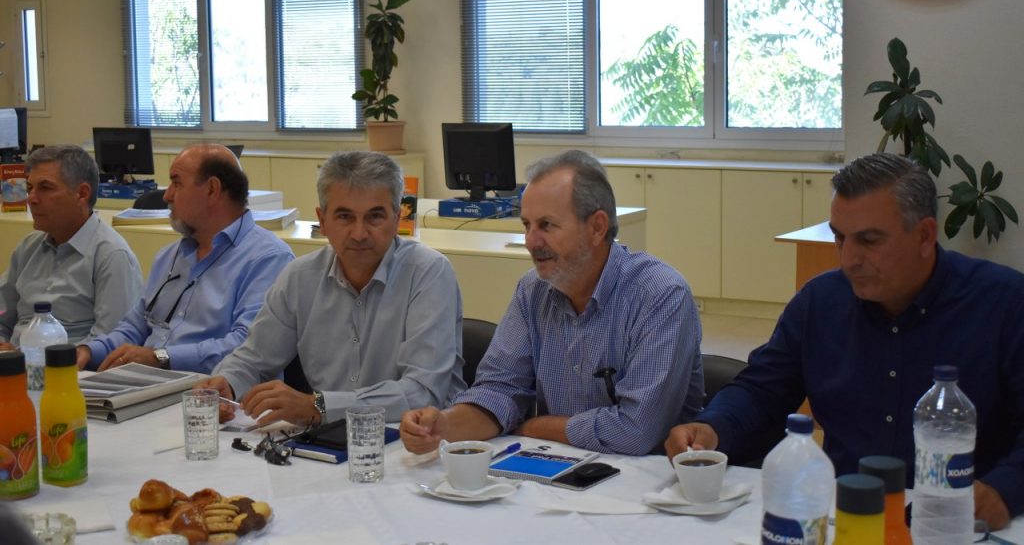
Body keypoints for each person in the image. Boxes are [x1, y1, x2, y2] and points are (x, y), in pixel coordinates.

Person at [664, 152, 1024, 530]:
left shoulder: (1003, 304)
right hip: (846, 517)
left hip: (960, 522)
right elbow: (762, 391)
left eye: (869, 241)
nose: (849, 259)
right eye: (839, 237)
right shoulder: (820, 302)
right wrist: (713, 428)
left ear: (924, 235)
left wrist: (1005, 489)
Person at [400, 149, 703, 456]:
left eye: (546, 225)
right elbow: (499, 390)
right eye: (526, 225)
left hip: (645, 476)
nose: (531, 242)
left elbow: (636, 431)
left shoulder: (660, 295)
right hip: (557, 464)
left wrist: (535, 426)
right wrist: (443, 425)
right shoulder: (532, 290)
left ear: (597, 227)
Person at [198, 151, 464, 426]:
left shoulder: (428, 273)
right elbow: (254, 358)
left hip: (417, 437)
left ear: (397, 218)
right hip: (327, 438)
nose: (359, 234)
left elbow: (423, 392)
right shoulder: (300, 277)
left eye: (375, 216)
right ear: (322, 220)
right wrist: (227, 383)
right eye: (345, 217)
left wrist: (320, 406)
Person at [76, 144, 294, 374]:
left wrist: (161, 358)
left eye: (177, 183)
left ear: (212, 190)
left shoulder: (267, 259)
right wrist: (88, 351)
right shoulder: (170, 255)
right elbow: (134, 327)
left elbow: (247, 347)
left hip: (213, 389)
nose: (167, 195)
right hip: (149, 382)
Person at [0, 144, 142, 348]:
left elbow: (111, 341)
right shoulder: (28, 247)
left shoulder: (111, 255)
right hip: (15, 362)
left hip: (71, 364)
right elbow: (2, 317)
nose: (31, 198)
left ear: (82, 194)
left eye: (45, 188)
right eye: (30, 188)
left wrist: (33, 358)